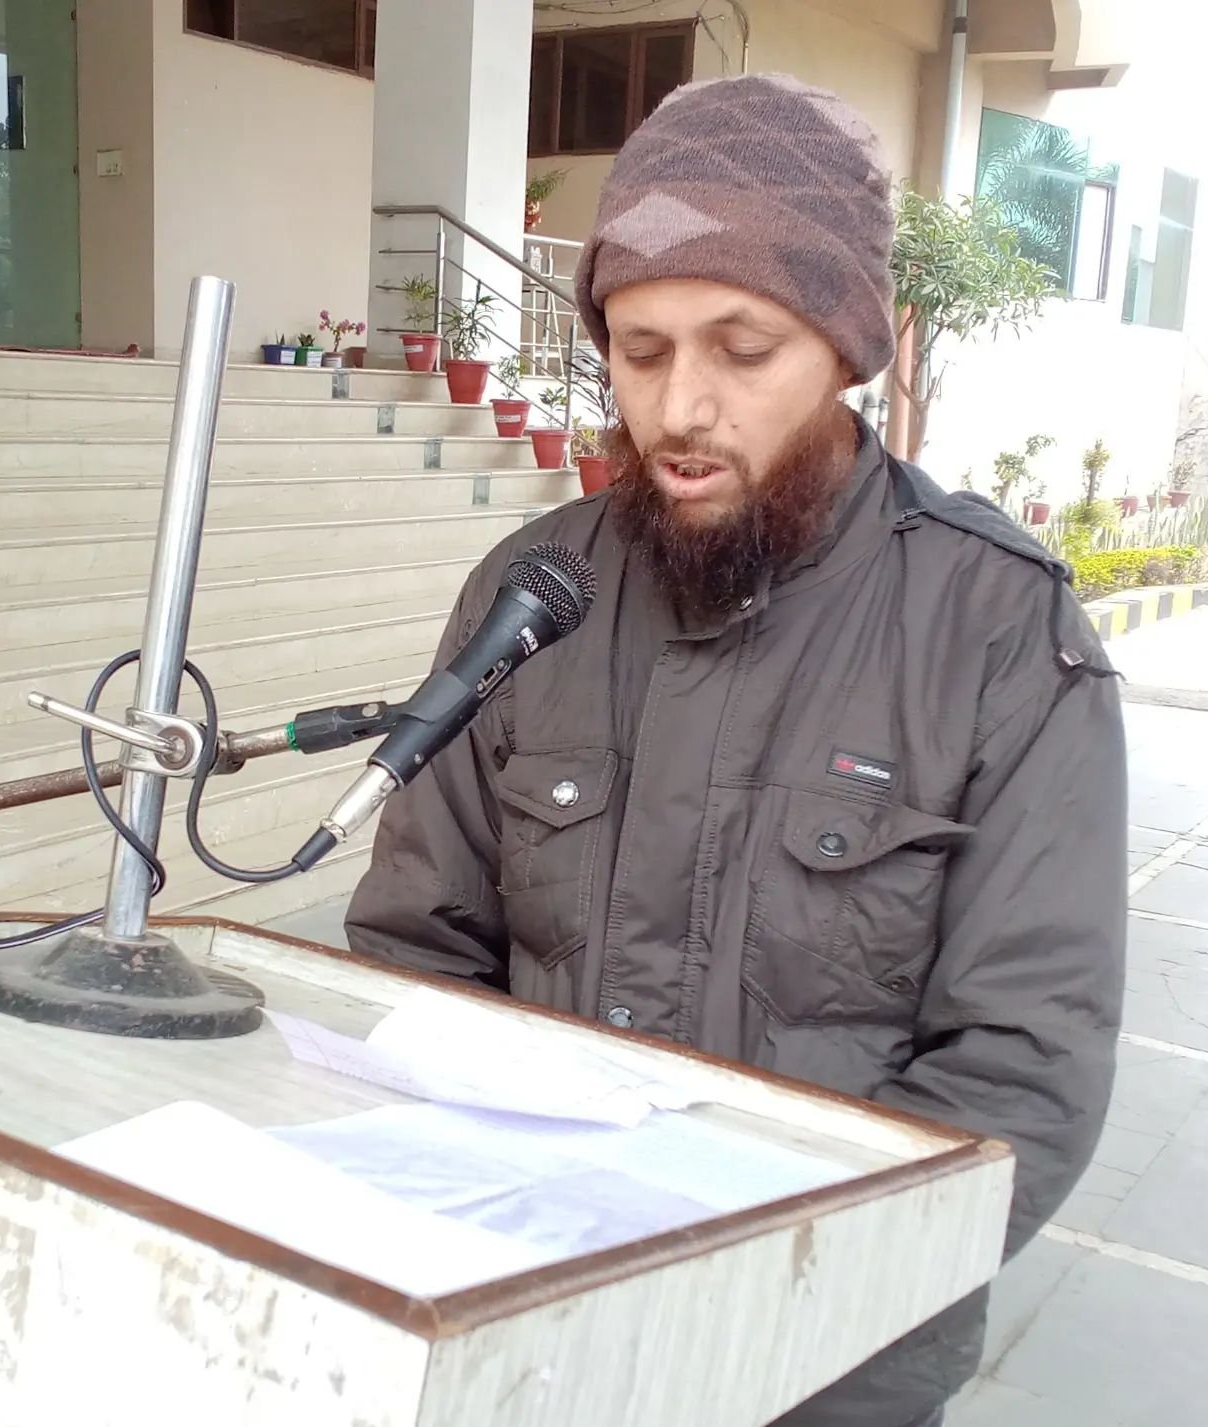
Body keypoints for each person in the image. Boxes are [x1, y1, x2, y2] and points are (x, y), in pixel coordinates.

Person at [346, 73, 1126, 1427]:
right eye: (641, 352)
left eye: (743, 349)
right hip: (522, 1322)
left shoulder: (998, 629)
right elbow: (418, 950)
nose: (681, 408)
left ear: (845, 348)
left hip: (817, 1360)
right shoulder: (535, 595)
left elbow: (1020, 1068)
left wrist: (759, 1303)